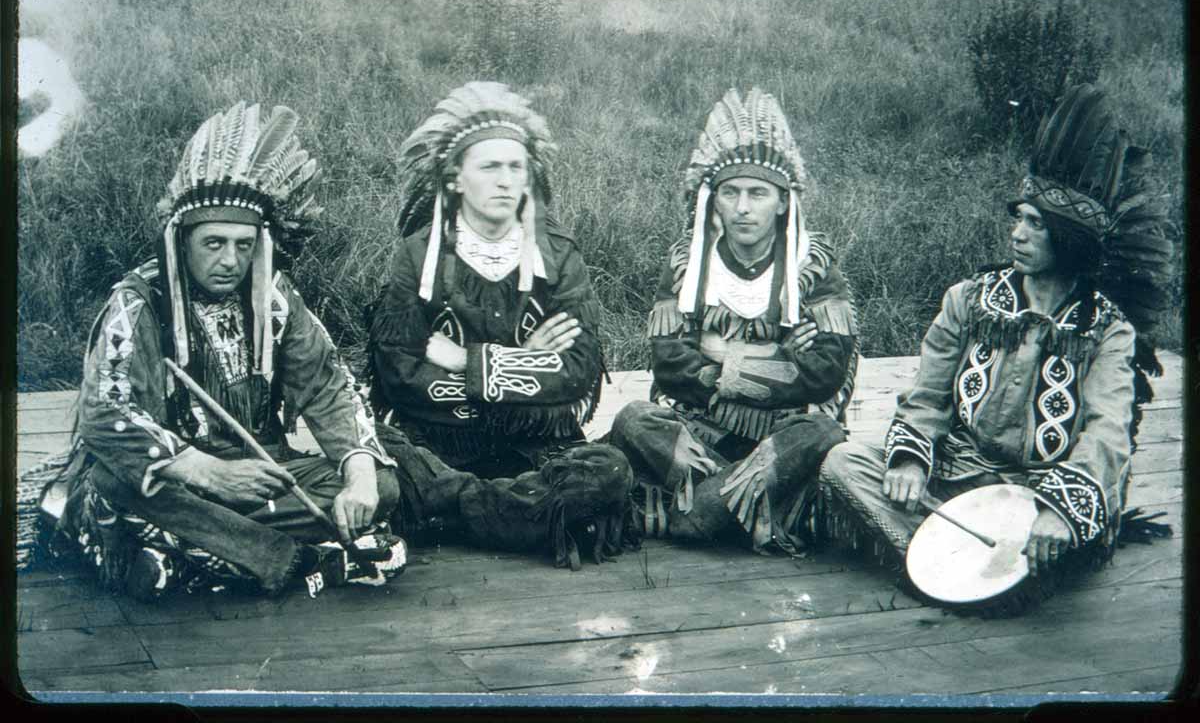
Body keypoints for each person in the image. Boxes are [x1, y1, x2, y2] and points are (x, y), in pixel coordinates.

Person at [818, 84, 1173, 612]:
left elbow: (1107, 430)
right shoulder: (970, 300)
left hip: (1039, 492)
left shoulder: (1105, 329)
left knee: (1058, 532)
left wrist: (1058, 510)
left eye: (1036, 224)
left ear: (1069, 239)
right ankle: (953, 569)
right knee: (844, 462)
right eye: (1018, 218)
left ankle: (985, 564)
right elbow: (928, 396)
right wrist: (910, 461)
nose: (1017, 234)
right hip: (958, 473)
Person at [40, 102, 406, 601]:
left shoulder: (272, 294)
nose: (230, 260)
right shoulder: (139, 302)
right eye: (214, 243)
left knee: (381, 484)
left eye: (243, 244)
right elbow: (106, 414)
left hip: (257, 475)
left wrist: (358, 475)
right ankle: (296, 559)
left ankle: (189, 557)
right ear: (182, 240)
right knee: (115, 484)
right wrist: (211, 473)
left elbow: (328, 384)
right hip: (182, 478)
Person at [367, 82, 632, 570]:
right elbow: (398, 375)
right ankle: (525, 516)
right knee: (383, 451)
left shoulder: (558, 255)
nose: (505, 181)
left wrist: (470, 363)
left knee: (609, 469)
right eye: (489, 167)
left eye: (516, 167)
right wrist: (527, 361)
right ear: (455, 179)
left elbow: (577, 371)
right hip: (441, 444)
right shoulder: (418, 255)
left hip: (535, 448)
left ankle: (454, 512)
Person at [607, 87, 858, 554]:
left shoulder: (814, 266)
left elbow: (826, 372)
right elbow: (669, 366)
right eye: (731, 192)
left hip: (779, 439)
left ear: (782, 202)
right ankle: (740, 505)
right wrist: (778, 357)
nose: (743, 207)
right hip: (700, 434)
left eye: (758, 193)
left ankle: (696, 512)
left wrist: (722, 358)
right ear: (714, 201)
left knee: (824, 433)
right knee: (634, 418)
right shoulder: (686, 264)